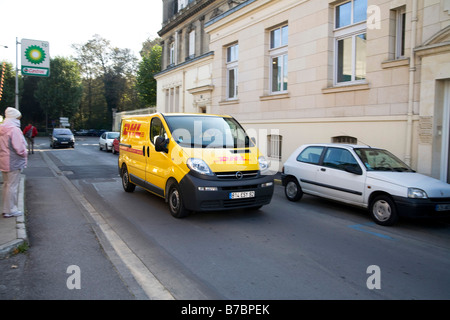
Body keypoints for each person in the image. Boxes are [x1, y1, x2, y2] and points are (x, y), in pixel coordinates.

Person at [0, 107, 28, 218]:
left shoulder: (2, 129)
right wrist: (25, 152)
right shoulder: (14, 130)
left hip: (4, 160)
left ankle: (6, 208)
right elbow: (19, 148)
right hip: (13, 161)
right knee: (12, 186)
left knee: (6, 185)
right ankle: (10, 209)